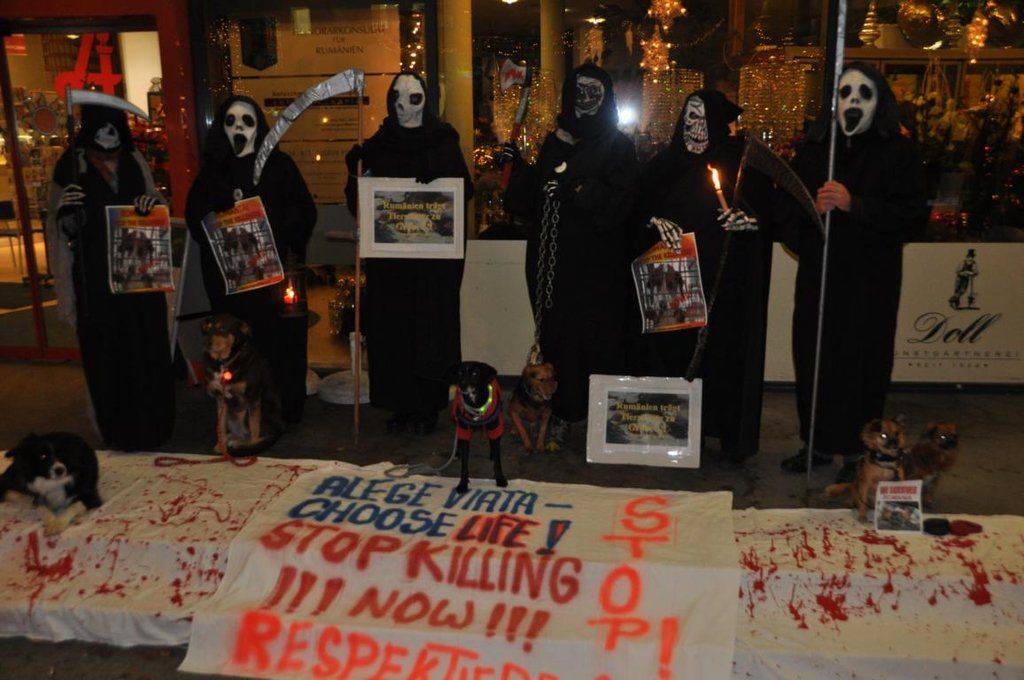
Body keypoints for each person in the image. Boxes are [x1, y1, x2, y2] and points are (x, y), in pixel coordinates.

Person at [779, 62, 928, 476]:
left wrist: (854, 204)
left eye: (863, 94)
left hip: (870, 283)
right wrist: (812, 211)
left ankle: (862, 451)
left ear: (879, 101)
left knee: (863, 363)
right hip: (820, 278)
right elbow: (786, 213)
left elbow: (912, 215)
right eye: (845, 94)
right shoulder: (815, 150)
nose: (853, 103)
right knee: (814, 358)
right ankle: (816, 443)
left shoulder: (898, 152)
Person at [502, 63, 638, 449]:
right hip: (554, 267)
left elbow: (625, 203)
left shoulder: (618, 146)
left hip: (598, 269)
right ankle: (563, 413)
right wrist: (517, 168)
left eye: (595, 92)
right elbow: (532, 200)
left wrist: (581, 190)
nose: (586, 99)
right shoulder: (555, 142)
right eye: (580, 91)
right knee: (559, 342)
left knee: (599, 340)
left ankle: (605, 420)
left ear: (606, 98)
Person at [630, 89, 770, 461]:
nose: (696, 126)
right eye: (690, 116)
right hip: (672, 278)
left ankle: (722, 433)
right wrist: (654, 221)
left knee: (723, 356)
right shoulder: (664, 164)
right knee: (673, 353)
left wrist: (749, 222)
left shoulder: (740, 165)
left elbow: (766, 216)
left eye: (704, 118)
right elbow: (636, 207)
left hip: (724, 279)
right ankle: (673, 431)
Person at [344, 72, 473, 435]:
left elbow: (464, 192)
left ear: (425, 100)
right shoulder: (378, 144)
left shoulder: (443, 141)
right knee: (394, 331)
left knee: (430, 331)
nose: (404, 106)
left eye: (413, 98)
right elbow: (360, 202)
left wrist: (441, 177)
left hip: (432, 265)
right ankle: (400, 405)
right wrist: (355, 174)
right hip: (391, 266)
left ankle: (428, 406)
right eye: (397, 98)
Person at [46, 105, 174, 451]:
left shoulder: (135, 162)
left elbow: (155, 203)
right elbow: (60, 230)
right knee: (107, 356)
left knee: (146, 351)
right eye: (100, 127)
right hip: (97, 282)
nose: (108, 135)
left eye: (113, 127)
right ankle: (118, 431)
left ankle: (154, 426)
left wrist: (152, 205)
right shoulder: (70, 166)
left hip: (140, 279)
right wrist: (66, 214)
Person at [186, 95, 317, 425]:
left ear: (258, 126)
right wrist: (217, 215)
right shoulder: (213, 173)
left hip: (274, 283)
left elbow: (303, 210)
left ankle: (282, 411)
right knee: (238, 347)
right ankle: (241, 413)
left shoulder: (279, 166)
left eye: (247, 121)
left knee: (279, 345)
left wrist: (281, 231)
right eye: (231, 122)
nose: (239, 128)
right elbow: (196, 219)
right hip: (232, 285)